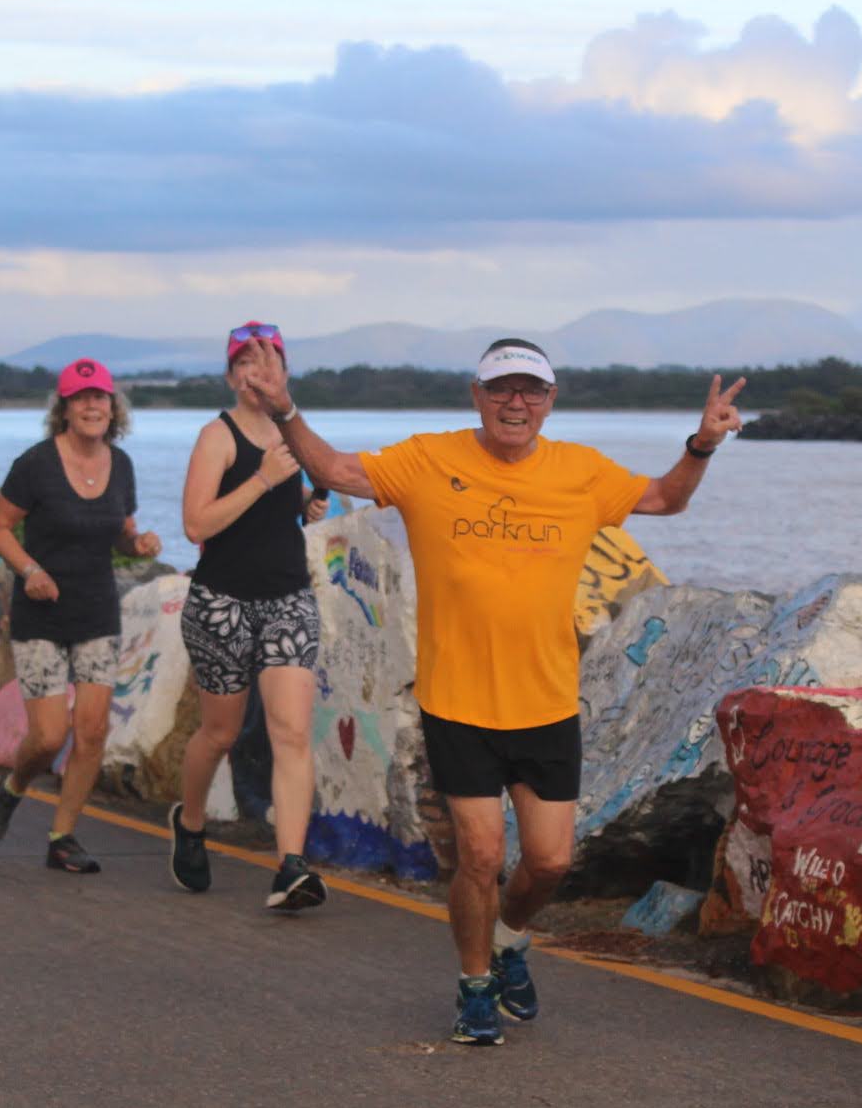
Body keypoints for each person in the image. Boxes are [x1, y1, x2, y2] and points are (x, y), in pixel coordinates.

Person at [260, 338, 743, 1045]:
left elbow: (665, 498)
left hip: (546, 701)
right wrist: (284, 410)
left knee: (549, 862)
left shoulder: (580, 471)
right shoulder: (429, 459)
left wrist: (701, 444)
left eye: (531, 391)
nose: (516, 403)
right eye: (501, 389)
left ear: (550, 401)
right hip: (459, 700)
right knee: (481, 855)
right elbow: (333, 469)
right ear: (476, 397)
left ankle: (512, 938)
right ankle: (475, 985)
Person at [0, 358, 162, 874]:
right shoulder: (35, 464)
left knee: (94, 730)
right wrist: (29, 570)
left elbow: (121, 527)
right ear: (64, 409)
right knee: (49, 736)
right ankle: (13, 787)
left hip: (97, 610)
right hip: (42, 613)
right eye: (81, 399)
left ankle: (63, 837)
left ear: (113, 407)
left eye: (100, 397)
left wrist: (137, 542)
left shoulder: (120, 465)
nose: (92, 406)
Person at [169, 321, 331, 909]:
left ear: (284, 373)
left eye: (267, 361)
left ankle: (291, 866)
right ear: (231, 374)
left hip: (288, 596)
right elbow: (195, 526)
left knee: (290, 730)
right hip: (222, 601)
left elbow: (311, 499)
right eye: (244, 362)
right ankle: (189, 822)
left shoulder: (295, 434)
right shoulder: (218, 435)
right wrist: (263, 479)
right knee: (221, 732)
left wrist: (309, 504)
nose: (255, 372)